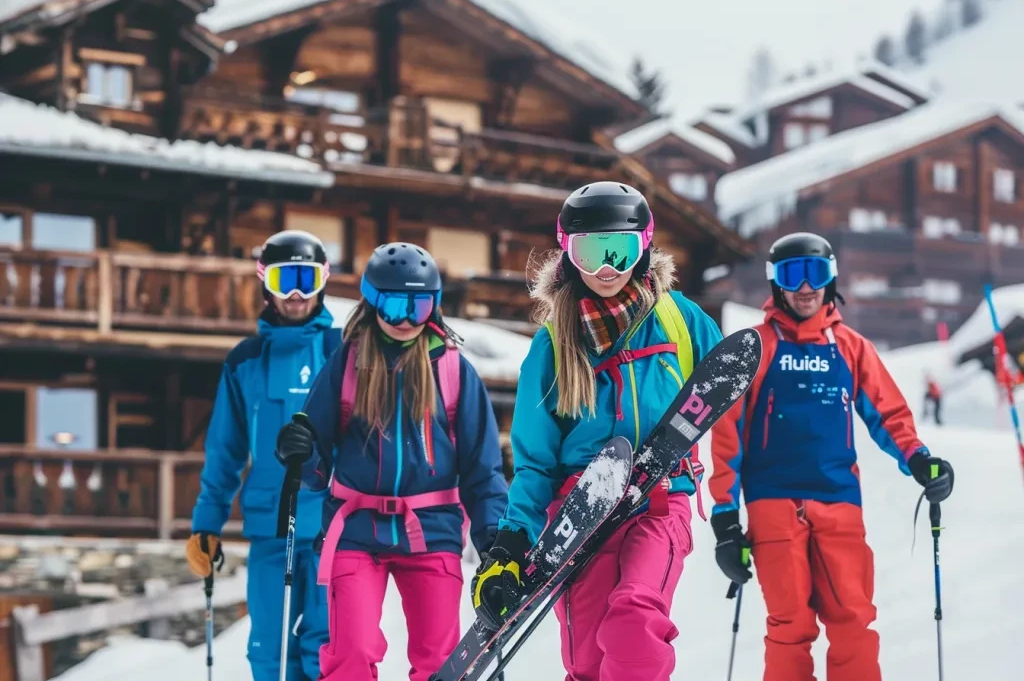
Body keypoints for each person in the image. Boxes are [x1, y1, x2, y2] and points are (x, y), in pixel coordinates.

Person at [471, 182, 725, 681]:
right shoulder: (552, 347)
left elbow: (726, 387)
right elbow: (534, 462)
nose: (607, 268)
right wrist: (510, 546)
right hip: (580, 517)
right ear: (568, 253)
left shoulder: (678, 320)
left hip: (657, 501)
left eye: (620, 250)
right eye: (591, 253)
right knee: (587, 664)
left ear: (644, 247)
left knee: (633, 622)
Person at [708, 232, 955, 681]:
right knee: (790, 626)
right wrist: (725, 521)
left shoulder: (851, 347)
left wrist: (919, 459)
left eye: (815, 274)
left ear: (831, 278)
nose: (805, 287)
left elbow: (889, 414)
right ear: (775, 284)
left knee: (853, 620)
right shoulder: (755, 347)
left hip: (839, 500)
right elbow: (727, 437)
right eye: (792, 275)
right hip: (773, 503)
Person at [273, 242, 509, 681]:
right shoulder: (346, 365)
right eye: (393, 306)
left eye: (417, 307)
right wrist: (300, 450)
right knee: (351, 655)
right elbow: (316, 461)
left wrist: (493, 537)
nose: (404, 320)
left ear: (433, 307)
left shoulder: (454, 372)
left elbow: (482, 470)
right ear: (372, 302)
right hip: (357, 531)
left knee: (441, 662)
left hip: (432, 530)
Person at [186, 230, 338, 681]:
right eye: (282, 279)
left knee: (325, 649)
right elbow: (225, 451)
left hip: (332, 530)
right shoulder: (244, 362)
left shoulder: (341, 353)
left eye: (305, 279)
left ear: (323, 280)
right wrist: (206, 524)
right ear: (264, 282)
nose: (294, 293)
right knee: (269, 653)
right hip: (271, 528)